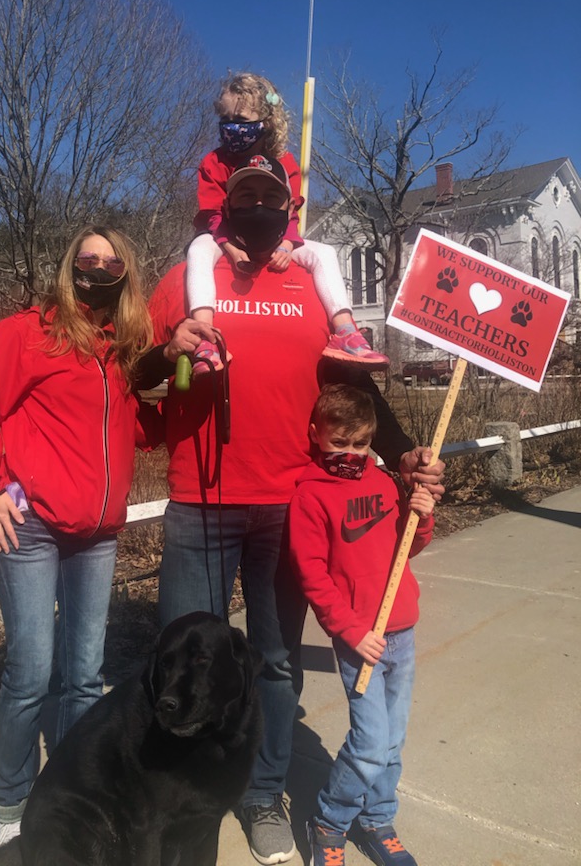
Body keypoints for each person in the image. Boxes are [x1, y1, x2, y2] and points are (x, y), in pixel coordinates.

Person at [149, 155, 444, 866]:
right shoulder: (187, 276)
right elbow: (140, 370)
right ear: (225, 204)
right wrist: (166, 355)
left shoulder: (313, 280)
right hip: (203, 499)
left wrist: (401, 454)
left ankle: (262, 794)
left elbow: (354, 391)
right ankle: (179, 794)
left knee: (275, 663)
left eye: (270, 197)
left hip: (289, 504)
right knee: (182, 654)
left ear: (288, 208)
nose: (258, 206)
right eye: (245, 195)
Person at [0, 225, 208, 849]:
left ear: (125, 276)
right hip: (31, 525)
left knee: (84, 675)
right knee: (31, 672)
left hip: (97, 533)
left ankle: (71, 788)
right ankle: (10, 800)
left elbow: (138, 428)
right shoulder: (24, 333)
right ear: (70, 266)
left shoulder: (119, 350)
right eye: (86, 258)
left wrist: (190, 386)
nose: (96, 269)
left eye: (110, 262)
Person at [288, 384, 434, 866]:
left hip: (402, 629)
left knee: (392, 742)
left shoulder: (385, 481)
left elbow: (407, 547)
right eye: (339, 443)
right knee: (370, 744)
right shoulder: (311, 495)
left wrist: (422, 518)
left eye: (361, 443)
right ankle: (329, 822)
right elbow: (312, 575)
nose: (351, 453)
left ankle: (377, 819)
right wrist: (349, 631)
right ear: (316, 433)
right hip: (360, 640)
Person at [186, 72, 387, 373]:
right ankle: (204, 336)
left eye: (240, 119)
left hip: (274, 239)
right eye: (225, 119)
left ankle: (345, 331)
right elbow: (213, 214)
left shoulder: (285, 163)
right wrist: (231, 249)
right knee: (199, 248)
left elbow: (291, 212)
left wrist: (288, 245)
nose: (231, 128)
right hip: (224, 237)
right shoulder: (213, 162)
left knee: (325, 252)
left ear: (265, 121)